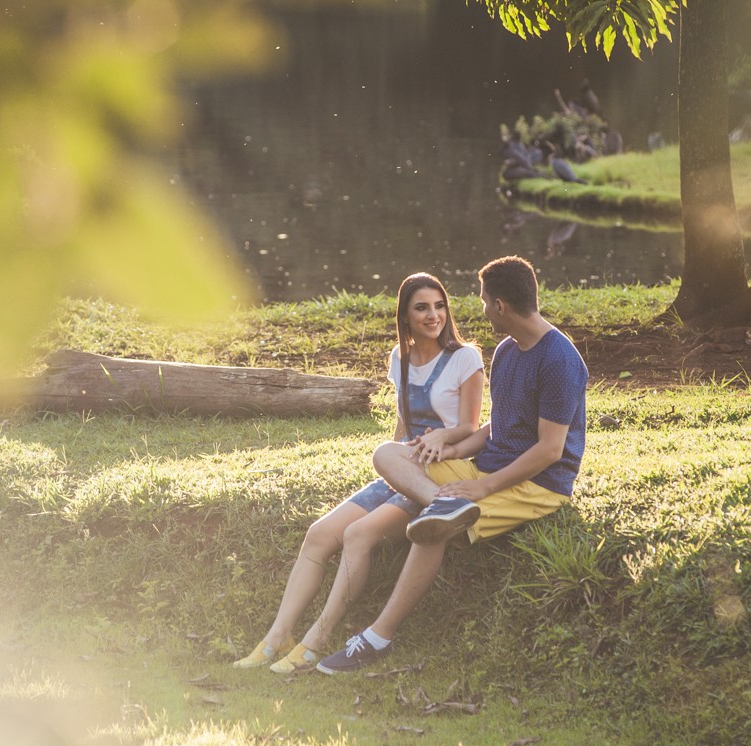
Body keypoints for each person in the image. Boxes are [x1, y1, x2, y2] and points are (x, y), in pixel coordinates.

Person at [315, 256, 587, 674]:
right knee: (389, 453)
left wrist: (482, 487)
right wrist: (453, 450)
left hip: (538, 486)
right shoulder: (508, 351)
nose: (478, 309)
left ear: (500, 306)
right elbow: (500, 425)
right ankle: (441, 503)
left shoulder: (560, 360)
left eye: (482, 301)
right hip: (485, 466)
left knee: (432, 531)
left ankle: (377, 638)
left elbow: (550, 450)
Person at [234, 273, 485, 672]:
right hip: (401, 467)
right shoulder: (399, 358)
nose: (433, 315)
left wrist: (442, 435)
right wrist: (391, 471)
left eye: (439, 306)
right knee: (318, 535)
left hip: (439, 470)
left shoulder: (464, 358)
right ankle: (277, 635)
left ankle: (316, 641)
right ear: (404, 315)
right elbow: (402, 428)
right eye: (422, 307)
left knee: (358, 534)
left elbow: (471, 426)